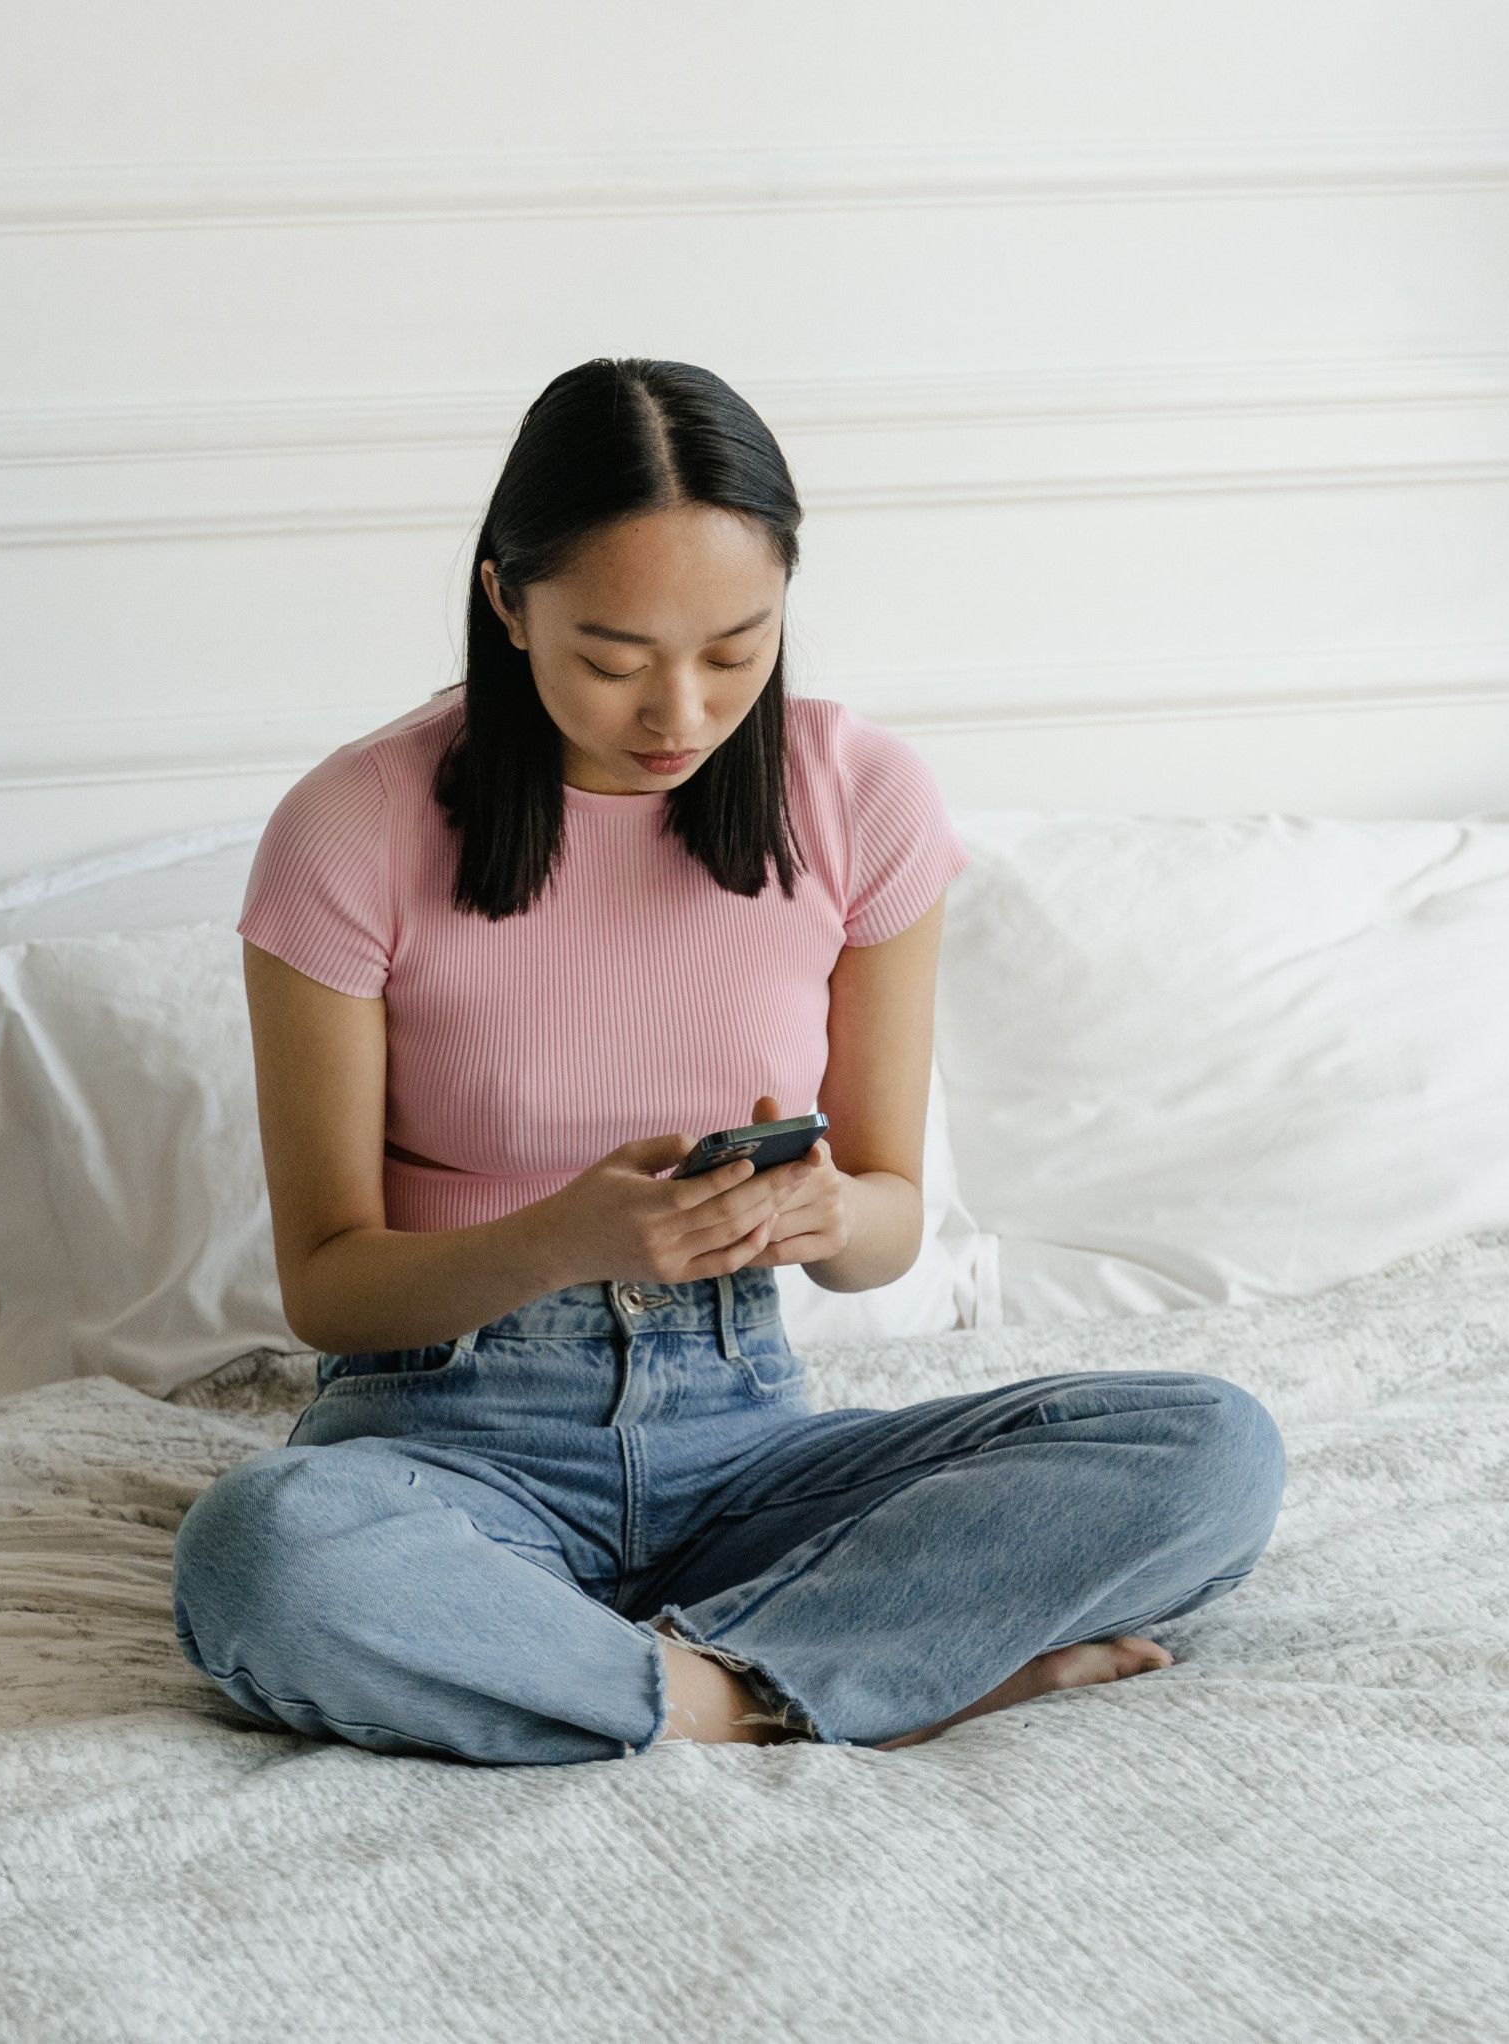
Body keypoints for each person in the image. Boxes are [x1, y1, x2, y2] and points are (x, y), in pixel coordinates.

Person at [169, 357, 1285, 1764]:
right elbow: (329, 1285)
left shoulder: (856, 796)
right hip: (444, 1442)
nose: (680, 716)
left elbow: (880, 1234)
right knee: (261, 1553)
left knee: (1208, 1447)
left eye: (734, 652)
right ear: (507, 602)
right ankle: (796, 1686)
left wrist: (832, 1212)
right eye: (613, 659)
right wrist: (567, 1236)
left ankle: (640, 1678)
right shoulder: (353, 825)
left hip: (745, 1438)